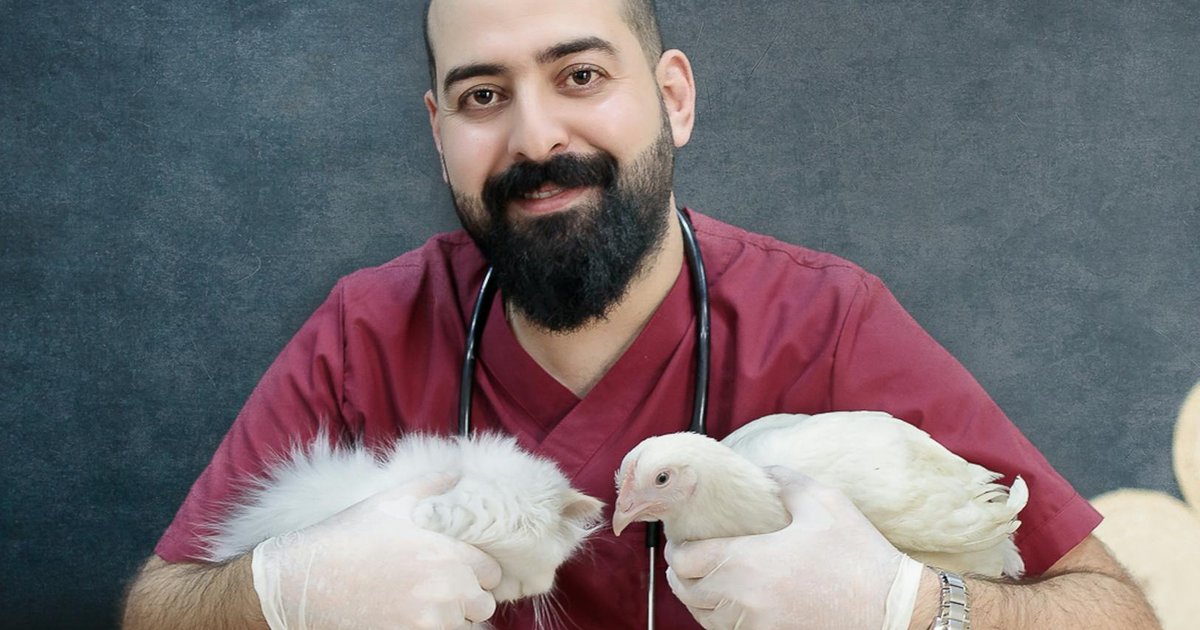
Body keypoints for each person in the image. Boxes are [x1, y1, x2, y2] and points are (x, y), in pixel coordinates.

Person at [122, 0, 1160, 628]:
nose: (536, 136)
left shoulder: (830, 324)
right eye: (483, 97)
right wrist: (282, 596)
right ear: (438, 133)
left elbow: (1114, 614)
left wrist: (909, 610)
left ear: (673, 97)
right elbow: (155, 611)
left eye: (580, 74)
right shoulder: (366, 333)